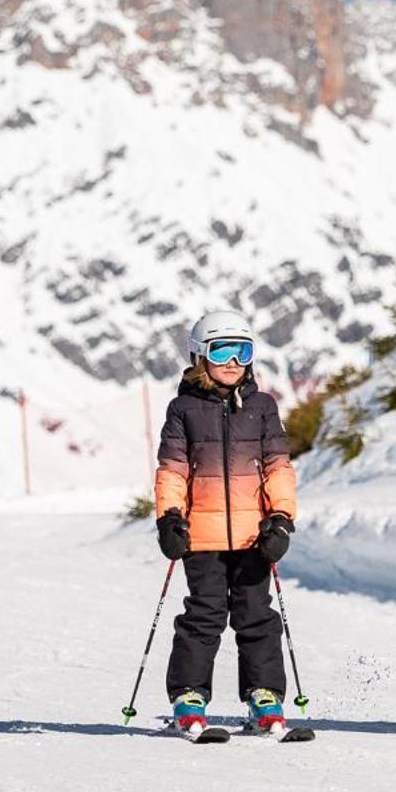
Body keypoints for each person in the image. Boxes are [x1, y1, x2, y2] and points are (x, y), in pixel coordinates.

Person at [151, 311, 299, 740]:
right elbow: (173, 471)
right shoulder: (183, 410)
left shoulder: (263, 407)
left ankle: (264, 695)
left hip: (255, 537)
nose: (233, 362)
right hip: (202, 537)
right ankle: (189, 696)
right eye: (222, 351)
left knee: (257, 617)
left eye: (243, 351)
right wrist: (170, 518)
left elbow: (278, 468)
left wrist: (282, 519)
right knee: (205, 615)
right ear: (200, 355)